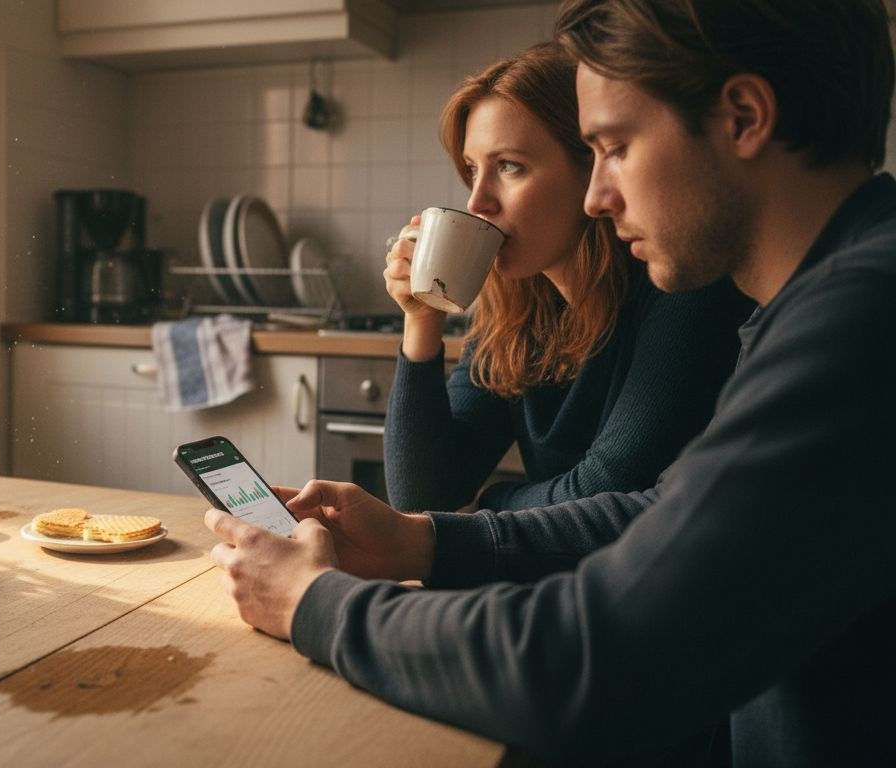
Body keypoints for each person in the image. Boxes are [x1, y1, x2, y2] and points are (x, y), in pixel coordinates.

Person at [204, 0, 896, 765]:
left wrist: (313, 603)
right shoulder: (814, 304)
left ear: (742, 116)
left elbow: (587, 660)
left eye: (615, 147)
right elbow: (661, 512)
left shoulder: (862, 319)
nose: (598, 197)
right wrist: (423, 539)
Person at [383, 44, 751, 513]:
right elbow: (424, 494)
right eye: (473, 169)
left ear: (590, 169)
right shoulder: (518, 309)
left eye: (509, 166)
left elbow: (607, 494)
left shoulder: (680, 292)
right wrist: (422, 320)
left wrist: (489, 505)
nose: (478, 202)